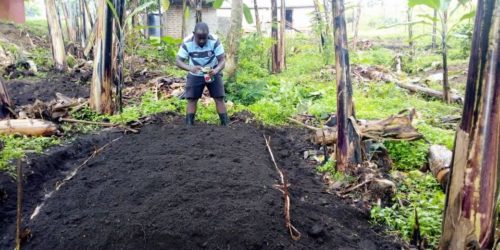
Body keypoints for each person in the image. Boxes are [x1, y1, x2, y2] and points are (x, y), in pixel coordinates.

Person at [176, 22, 228, 126]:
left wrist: (216, 70)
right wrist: (190, 68)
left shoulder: (214, 40)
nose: (202, 41)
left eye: (204, 38)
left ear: (208, 35)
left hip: (212, 72)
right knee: (192, 99)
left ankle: (225, 125)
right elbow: (178, 61)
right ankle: (189, 126)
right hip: (195, 74)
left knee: (219, 98)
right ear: (194, 34)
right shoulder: (187, 42)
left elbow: (222, 60)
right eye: (199, 38)